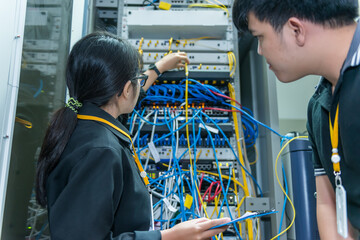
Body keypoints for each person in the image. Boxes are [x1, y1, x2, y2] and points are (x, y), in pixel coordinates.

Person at [35, 32, 230, 239]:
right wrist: (167, 236)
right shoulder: (101, 151)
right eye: (137, 79)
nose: (139, 84)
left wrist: (159, 67)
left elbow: (130, 96)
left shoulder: (84, 124)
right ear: (127, 89)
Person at [232, 0, 360, 239]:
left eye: (260, 37)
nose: (260, 50)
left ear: (295, 30)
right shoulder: (319, 106)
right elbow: (327, 204)